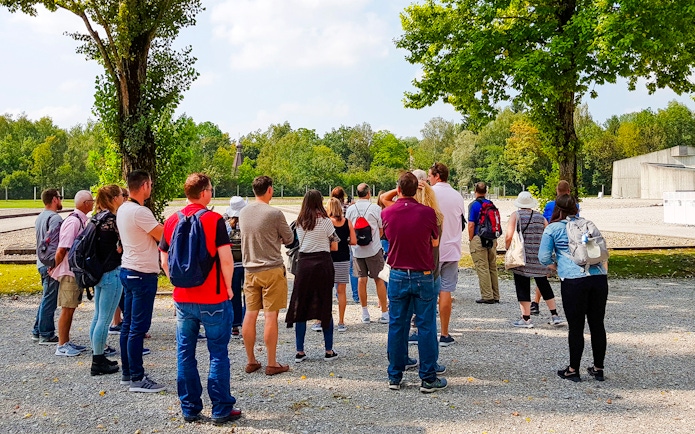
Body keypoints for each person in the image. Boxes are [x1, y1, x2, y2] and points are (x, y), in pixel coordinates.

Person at [160, 173, 241, 424]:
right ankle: (220, 408)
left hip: (183, 298)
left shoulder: (172, 220)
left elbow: (163, 258)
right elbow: (226, 259)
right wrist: (228, 288)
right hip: (213, 296)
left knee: (185, 352)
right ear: (205, 192)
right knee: (217, 353)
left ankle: (190, 407)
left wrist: (177, 281)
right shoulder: (215, 220)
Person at [382, 172, 446, 393]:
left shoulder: (388, 213)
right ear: (418, 190)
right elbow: (435, 241)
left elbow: (384, 200)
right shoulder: (428, 213)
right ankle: (428, 377)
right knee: (426, 325)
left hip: (398, 272)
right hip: (423, 273)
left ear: (398, 189)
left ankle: (395, 375)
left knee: (397, 325)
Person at [539, 194, 608, 382]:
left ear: (557, 209)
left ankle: (573, 369)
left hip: (574, 280)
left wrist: (556, 265)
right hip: (598, 278)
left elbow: (543, 257)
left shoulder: (553, 228)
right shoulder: (587, 224)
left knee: (576, 327)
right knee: (597, 324)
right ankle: (598, 368)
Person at [239, 176, 294, 376]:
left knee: (250, 314)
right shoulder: (275, 213)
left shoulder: (243, 212)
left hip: (250, 269)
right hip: (271, 268)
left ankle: (251, 360)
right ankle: (272, 362)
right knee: (271, 315)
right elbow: (289, 238)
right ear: (269, 190)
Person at [117, 170, 164, 392]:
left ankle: (128, 373)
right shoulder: (140, 211)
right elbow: (164, 235)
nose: (151, 188)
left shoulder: (123, 208)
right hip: (142, 273)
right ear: (144, 185)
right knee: (138, 327)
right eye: (151, 184)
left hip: (128, 269)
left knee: (128, 326)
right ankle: (137, 377)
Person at [285, 190, 340, 362]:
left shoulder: (299, 222)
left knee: (301, 305)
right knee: (325, 305)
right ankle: (328, 350)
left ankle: (300, 350)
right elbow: (335, 246)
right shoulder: (326, 222)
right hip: (323, 263)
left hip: (304, 264)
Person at [504, 191, 564, 329]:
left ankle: (526, 319)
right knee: (544, 284)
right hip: (539, 257)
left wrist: (508, 249)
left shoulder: (516, 215)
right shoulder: (541, 217)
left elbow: (509, 236)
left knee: (522, 285)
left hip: (522, 257)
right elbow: (548, 235)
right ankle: (554, 315)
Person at [89, 185, 126, 376]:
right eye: (121, 195)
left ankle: (98, 353)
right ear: (113, 198)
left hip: (98, 272)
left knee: (97, 315)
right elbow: (122, 243)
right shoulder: (112, 219)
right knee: (105, 318)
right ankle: (98, 360)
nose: (123, 197)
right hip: (112, 271)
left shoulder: (95, 218)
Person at [51, 190, 93, 357]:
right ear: (85, 204)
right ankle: (61, 345)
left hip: (74, 270)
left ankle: (66, 341)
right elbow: (62, 248)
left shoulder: (80, 220)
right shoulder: (74, 222)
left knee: (71, 307)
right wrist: (53, 268)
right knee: (67, 308)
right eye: (91, 200)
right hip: (69, 271)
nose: (93, 203)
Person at [428, 162, 465, 347]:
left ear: (436, 176)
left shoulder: (430, 193)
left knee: (427, 292)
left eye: (429, 175)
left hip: (432, 249)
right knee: (446, 291)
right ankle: (444, 333)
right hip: (452, 248)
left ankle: (423, 330)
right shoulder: (457, 196)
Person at [532, 180, 579, 315]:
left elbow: (545, 221)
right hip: (568, 242)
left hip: (551, 238)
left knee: (543, 275)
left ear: (556, 191)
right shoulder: (574, 205)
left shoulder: (550, 205)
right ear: (569, 191)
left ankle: (536, 302)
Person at [345, 183, 388, 324]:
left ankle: (365, 312)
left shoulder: (351, 209)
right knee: (379, 280)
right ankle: (384, 313)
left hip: (357, 250)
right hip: (374, 250)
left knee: (361, 280)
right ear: (369, 193)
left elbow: (349, 228)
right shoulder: (375, 208)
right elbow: (381, 229)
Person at [32, 188, 63, 345]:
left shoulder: (40, 217)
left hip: (40, 262)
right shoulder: (55, 218)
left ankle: (38, 330)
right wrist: (54, 264)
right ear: (54, 199)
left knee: (46, 297)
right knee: (50, 299)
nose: (61, 200)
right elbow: (53, 244)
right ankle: (46, 333)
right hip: (49, 264)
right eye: (60, 197)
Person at [467, 182, 500, 304]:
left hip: (479, 237)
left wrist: (471, 239)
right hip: (491, 237)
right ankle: (496, 295)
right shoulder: (491, 204)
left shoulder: (474, 205)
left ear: (475, 191)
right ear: (486, 191)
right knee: (492, 266)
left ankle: (487, 296)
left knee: (482, 267)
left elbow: (471, 224)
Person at [327, 197, 356, 332]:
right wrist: (345, 241)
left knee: (326, 291)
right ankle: (341, 321)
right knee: (341, 291)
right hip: (343, 258)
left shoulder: (327, 223)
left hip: (328, 259)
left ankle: (322, 320)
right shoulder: (347, 222)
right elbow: (354, 241)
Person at [331, 186, 359, 303]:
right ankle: (355, 295)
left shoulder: (330, 211)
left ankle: (334, 295)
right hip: (345, 243)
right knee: (352, 270)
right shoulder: (349, 207)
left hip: (332, 248)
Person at [224, 196, 247, 339]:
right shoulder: (247, 223)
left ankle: (234, 326)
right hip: (246, 264)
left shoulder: (226, 225)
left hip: (231, 265)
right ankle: (247, 323)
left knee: (234, 295)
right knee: (248, 296)